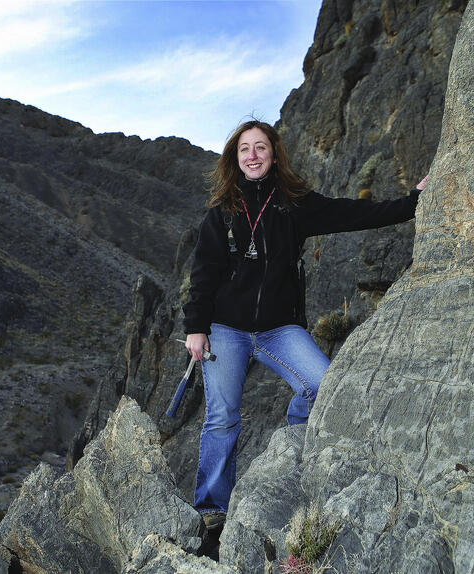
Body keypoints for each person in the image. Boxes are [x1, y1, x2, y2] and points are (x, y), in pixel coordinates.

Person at [182, 120, 428, 530]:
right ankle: (212, 511)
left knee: (322, 385)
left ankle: (292, 448)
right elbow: (203, 275)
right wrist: (196, 328)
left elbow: (353, 213)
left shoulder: (293, 205)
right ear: (235, 158)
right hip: (225, 328)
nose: (253, 155)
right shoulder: (221, 214)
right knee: (222, 416)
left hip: (279, 329)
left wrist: (411, 202)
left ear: (274, 154)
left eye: (261, 147)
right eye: (245, 149)